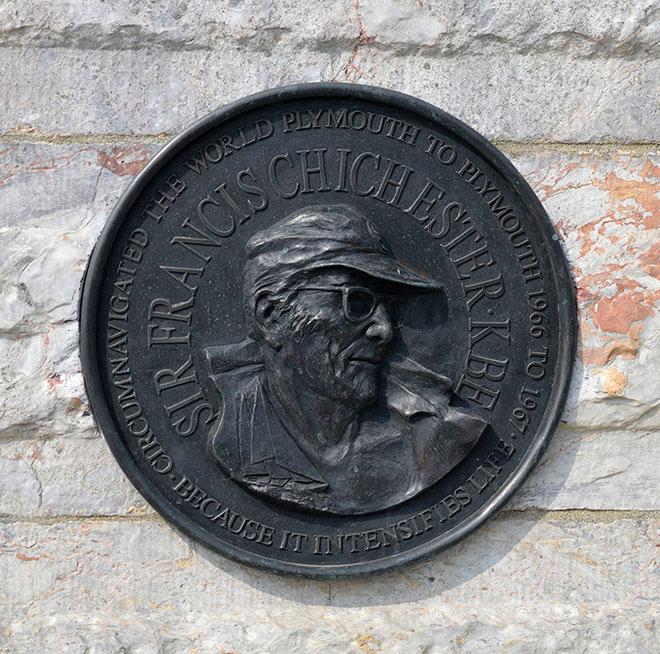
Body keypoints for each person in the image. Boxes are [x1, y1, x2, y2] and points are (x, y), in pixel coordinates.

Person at [205, 204, 487, 514]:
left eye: (388, 306)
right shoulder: (235, 438)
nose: (385, 329)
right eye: (357, 301)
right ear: (270, 316)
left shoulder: (436, 435)